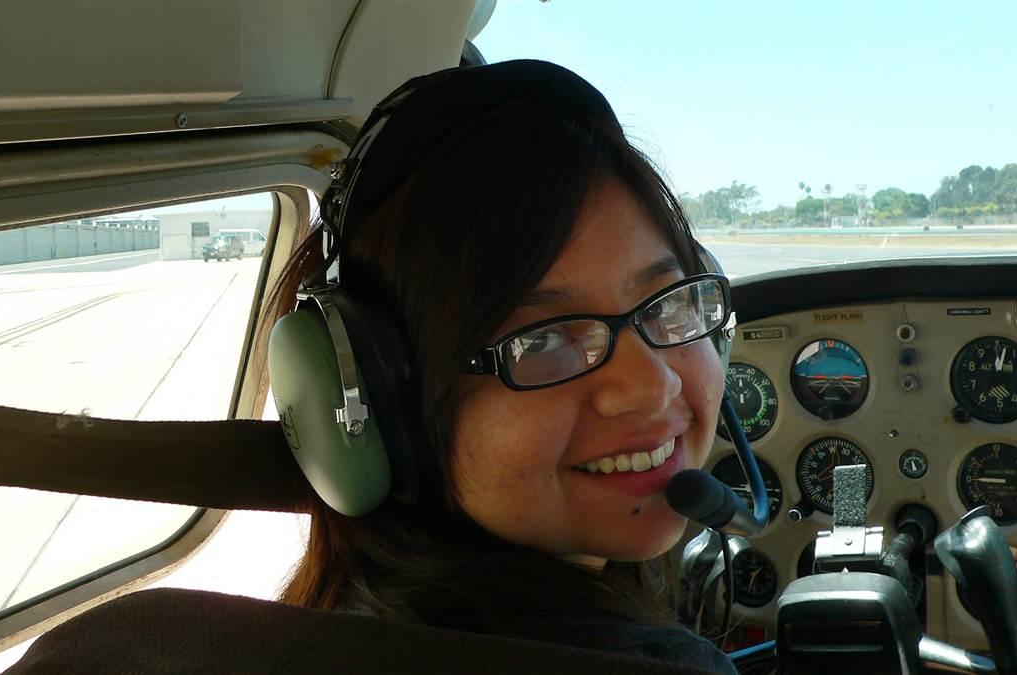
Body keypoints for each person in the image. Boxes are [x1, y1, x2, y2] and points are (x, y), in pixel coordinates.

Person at [261, 59, 736, 674]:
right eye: (541, 342)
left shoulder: (315, 632)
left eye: (667, 304)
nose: (653, 386)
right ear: (378, 403)